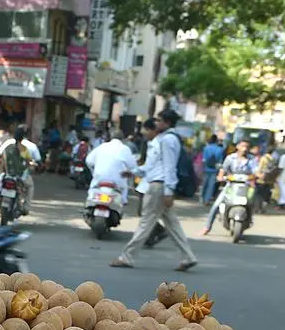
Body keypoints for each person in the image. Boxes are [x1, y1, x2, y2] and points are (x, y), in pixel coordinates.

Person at [112, 112, 197, 271]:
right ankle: (188, 257)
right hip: (159, 184)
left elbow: (169, 167)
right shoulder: (165, 139)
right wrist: (135, 172)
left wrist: (168, 191)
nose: (156, 123)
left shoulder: (167, 140)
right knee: (172, 224)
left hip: (159, 186)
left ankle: (127, 257)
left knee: (146, 222)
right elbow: (153, 165)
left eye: (159, 120)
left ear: (166, 122)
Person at [201, 139, 256, 235]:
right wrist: (220, 177)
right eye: (243, 146)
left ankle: (249, 219)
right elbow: (223, 169)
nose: (244, 149)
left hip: (245, 186)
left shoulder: (251, 159)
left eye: (247, 147)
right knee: (216, 205)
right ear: (237, 146)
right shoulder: (230, 158)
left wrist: (255, 176)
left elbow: (255, 171)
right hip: (231, 186)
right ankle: (207, 227)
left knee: (252, 202)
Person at [0, 124, 41, 214]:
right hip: (20, 176)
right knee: (30, 186)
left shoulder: (8, 145)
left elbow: (0, 155)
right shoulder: (27, 148)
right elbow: (33, 161)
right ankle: (26, 207)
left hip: (7, 174)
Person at [85, 135, 138, 204]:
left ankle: (88, 205)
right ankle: (123, 201)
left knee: (91, 193)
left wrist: (93, 171)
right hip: (118, 182)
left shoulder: (102, 146)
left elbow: (88, 161)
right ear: (123, 140)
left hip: (99, 179)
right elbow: (133, 167)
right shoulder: (125, 149)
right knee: (124, 190)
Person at [200, 135, 224, 204]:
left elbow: (203, 160)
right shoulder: (220, 149)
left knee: (204, 184)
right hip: (214, 169)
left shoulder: (206, 148)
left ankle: (202, 198)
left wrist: (203, 168)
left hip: (206, 168)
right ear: (216, 140)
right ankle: (207, 200)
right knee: (211, 185)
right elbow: (220, 161)